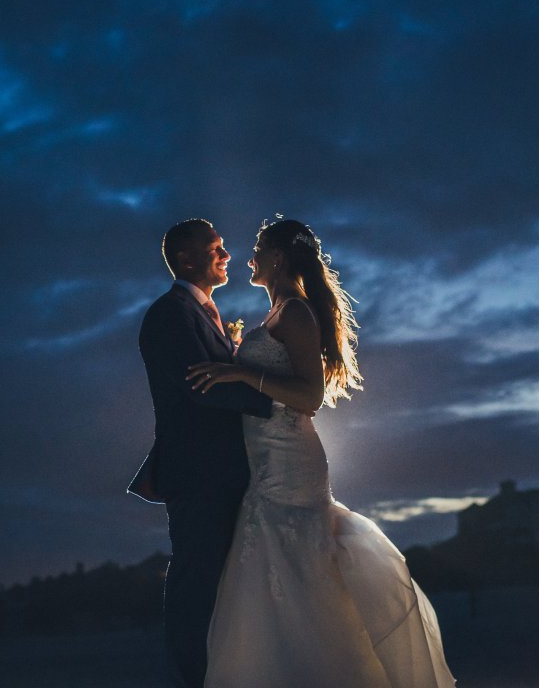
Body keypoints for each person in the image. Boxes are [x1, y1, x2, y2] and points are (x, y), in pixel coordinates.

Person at [184, 217, 453, 687]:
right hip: (263, 458)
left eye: (258, 247)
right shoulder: (275, 314)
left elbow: (308, 397)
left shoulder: (296, 313)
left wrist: (242, 374)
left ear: (278, 258)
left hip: (290, 459)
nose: (249, 256)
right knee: (272, 571)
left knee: (297, 565)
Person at [131, 218, 281, 688]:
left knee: (223, 581)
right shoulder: (169, 314)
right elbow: (201, 387)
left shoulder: (204, 312)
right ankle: (194, 678)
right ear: (186, 259)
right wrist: (277, 402)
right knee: (196, 583)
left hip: (225, 471)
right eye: (215, 247)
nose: (227, 255)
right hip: (198, 473)